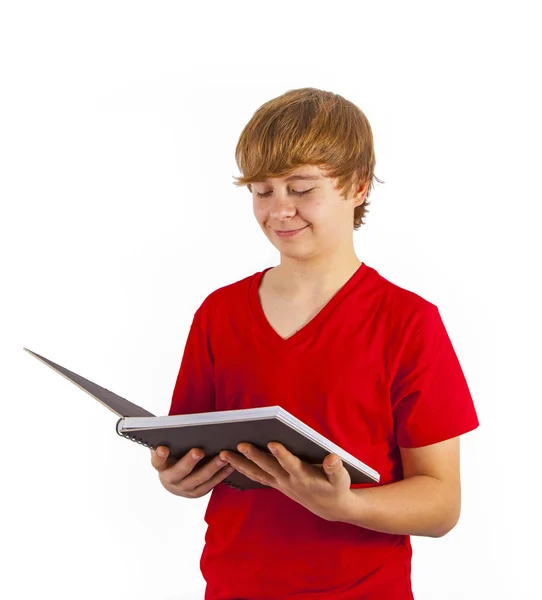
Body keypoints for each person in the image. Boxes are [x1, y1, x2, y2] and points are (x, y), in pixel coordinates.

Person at [150, 87, 479, 599]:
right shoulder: (219, 313)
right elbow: (191, 448)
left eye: (301, 188)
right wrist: (178, 478)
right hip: (232, 587)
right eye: (262, 191)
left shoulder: (408, 322)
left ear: (358, 187)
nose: (279, 210)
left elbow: (441, 506)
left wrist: (346, 506)